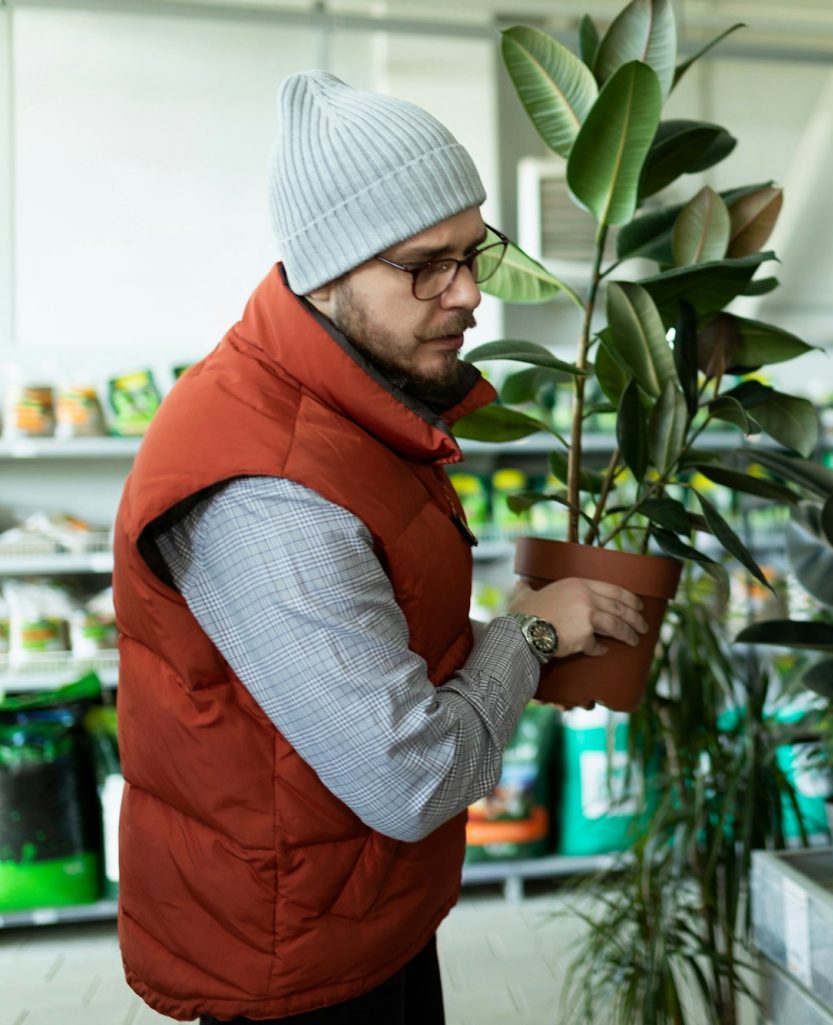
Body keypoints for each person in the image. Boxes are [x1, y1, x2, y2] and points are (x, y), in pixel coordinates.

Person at [111, 70, 648, 1025]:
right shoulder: (265, 489)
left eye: (474, 251)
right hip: (290, 956)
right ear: (326, 267)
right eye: (425, 265)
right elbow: (412, 777)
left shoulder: (350, 404)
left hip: (353, 901)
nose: (471, 293)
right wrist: (522, 638)